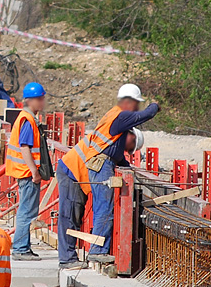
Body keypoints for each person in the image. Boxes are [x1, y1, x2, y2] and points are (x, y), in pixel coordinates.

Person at [57, 84, 159, 268]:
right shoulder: (121, 116)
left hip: (81, 171)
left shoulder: (115, 137)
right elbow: (145, 115)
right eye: (131, 147)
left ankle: (76, 256)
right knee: (80, 214)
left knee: (80, 215)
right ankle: (85, 254)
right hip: (72, 170)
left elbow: (121, 160)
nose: (129, 151)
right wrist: (155, 106)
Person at [5, 82, 47, 260]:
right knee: (27, 212)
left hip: (24, 172)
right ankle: (21, 249)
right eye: (40, 99)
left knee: (27, 211)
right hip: (27, 173)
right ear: (31, 101)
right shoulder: (28, 120)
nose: (43, 102)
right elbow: (25, 148)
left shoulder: (27, 118)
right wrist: (34, 172)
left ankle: (23, 247)